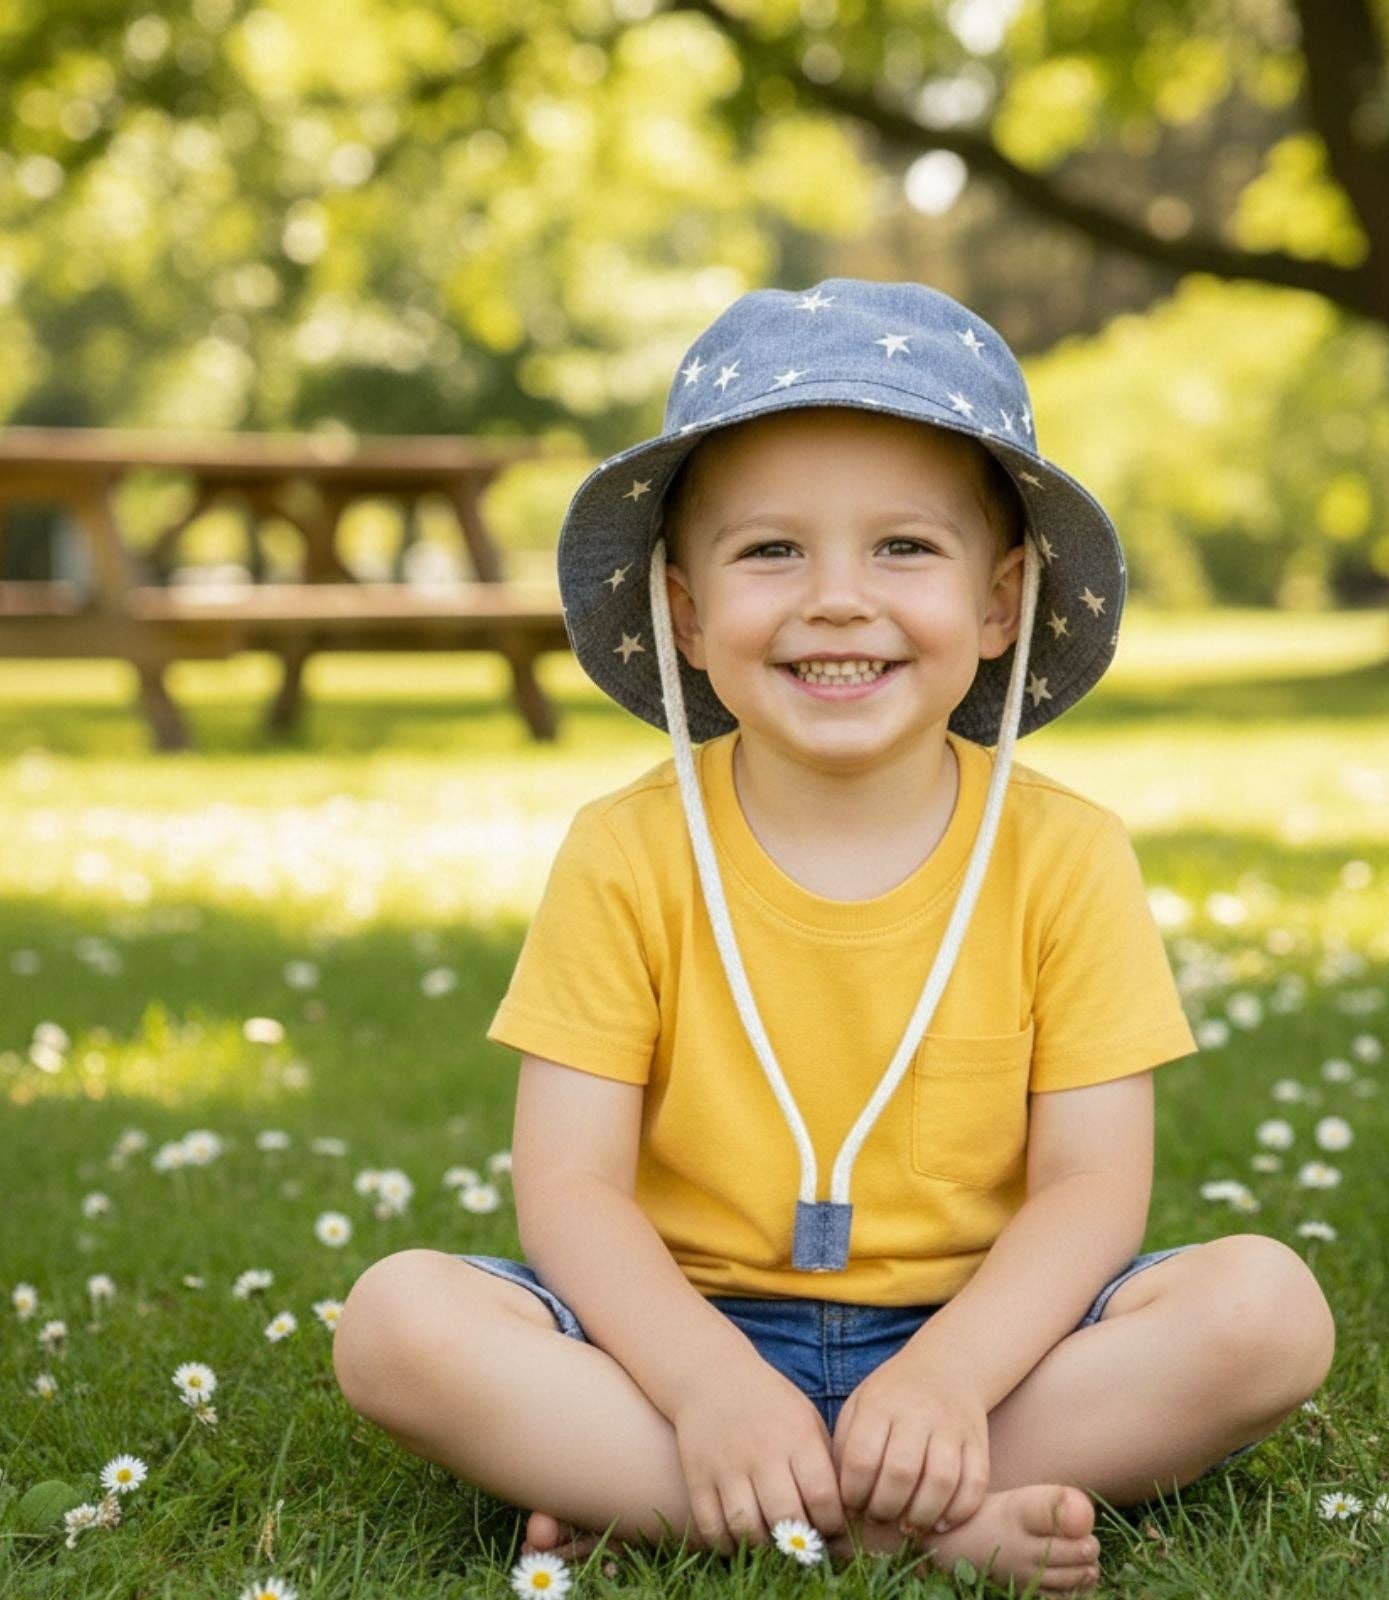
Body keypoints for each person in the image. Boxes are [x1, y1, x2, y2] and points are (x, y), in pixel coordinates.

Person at [331, 277, 1336, 1594]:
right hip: (679, 1327)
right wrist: (701, 1385)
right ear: (685, 613)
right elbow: (570, 1183)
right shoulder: (626, 849)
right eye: (772, 552)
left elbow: (1093, 1185)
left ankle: (695, 1502)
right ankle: (881, 1517)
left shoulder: (1066, 853)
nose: (838, 600)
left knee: (1267, 1314)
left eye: (904, 549)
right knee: (399, 1324)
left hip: (986, 1334)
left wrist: (953, 1376)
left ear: (1001, 603)